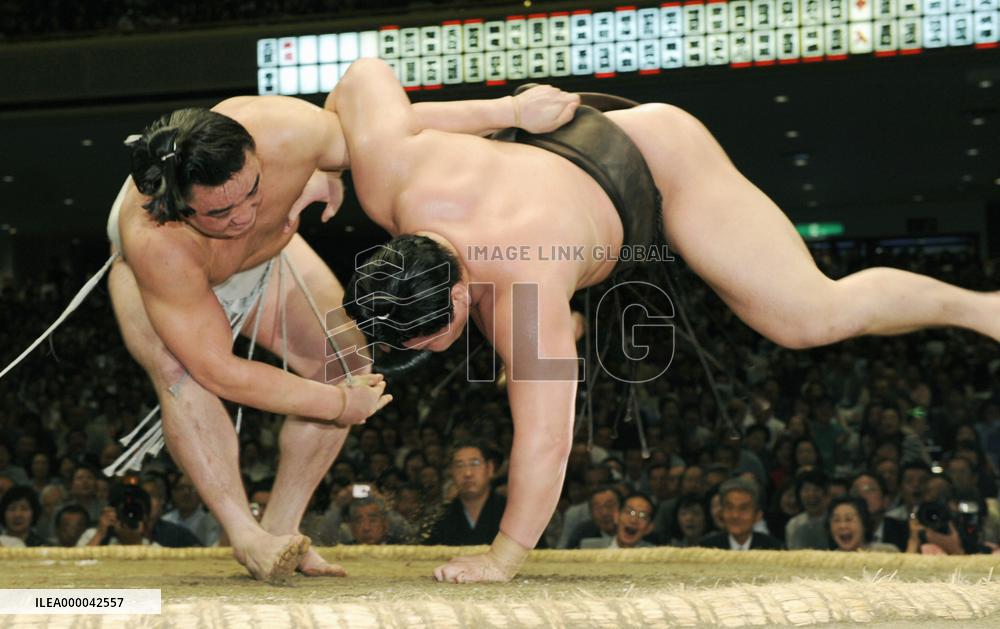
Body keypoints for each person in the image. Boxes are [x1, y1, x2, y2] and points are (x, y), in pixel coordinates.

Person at [335, 58, 999, 581]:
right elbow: (361, 77)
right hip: (551, 140)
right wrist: (331, 166)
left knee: (809, 316)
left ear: (454, 297)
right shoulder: (386, 172)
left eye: (434, 336)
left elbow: (546, 441)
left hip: (658, 162)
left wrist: (503, 555)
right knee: (520, 334)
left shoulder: (525, 288)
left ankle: (984, 309)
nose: (437, 349)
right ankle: (557, 332)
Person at [0, 82, 576, 581]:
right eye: (219, 214)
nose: (243, 217)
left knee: (349, 361)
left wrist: (510, 113)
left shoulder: (285, 130)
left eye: (252, 192)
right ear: (178, 204)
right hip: (174, 286)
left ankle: (283, 529)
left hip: (270, 263)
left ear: (254, 154)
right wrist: (335, 405)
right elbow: (219, 371)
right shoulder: (156, 238)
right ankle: (244, 533)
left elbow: (392, 132)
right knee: (179, 373)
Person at [424, 442, 505, 546]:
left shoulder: (512, 512)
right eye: (459, 465)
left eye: (474, 463)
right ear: (452, 472)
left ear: (490, 468)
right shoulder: (438, 518)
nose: (468, 473)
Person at [698, 478, 783, 551]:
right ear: (722, 512)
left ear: (758, 515)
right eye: (729, 508)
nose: (735, 515)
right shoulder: (706, 549)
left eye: (743, 509)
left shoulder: (774, 549)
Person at [826, 495, 898, 553]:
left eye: (849, 519)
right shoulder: (826, 561)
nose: (842, 525)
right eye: (836, 520)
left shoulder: (886, 552)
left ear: (864, 523)